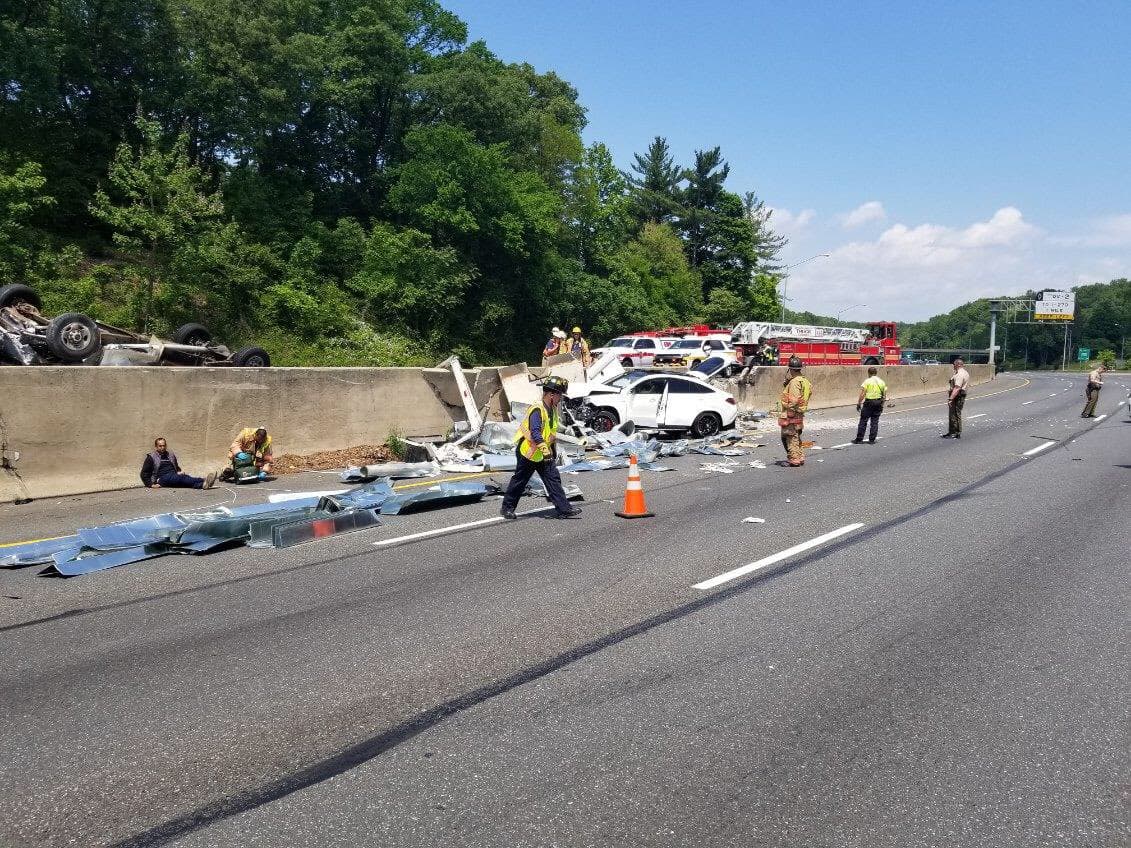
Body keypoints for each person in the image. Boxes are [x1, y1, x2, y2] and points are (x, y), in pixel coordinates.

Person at [499, 376, 582, 520]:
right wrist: (545, 450)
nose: (560, 398)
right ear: (551, 395)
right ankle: (507, 508)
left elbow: (550, 433)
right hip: (529, 453)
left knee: (553, 479)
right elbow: (536, 432)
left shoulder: (553, 410)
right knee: (520, 481)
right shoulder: (537, 409)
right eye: (559, 395)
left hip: (544, 454)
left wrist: (551, 451)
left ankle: (564, 509)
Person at [140, 437, 216, 490]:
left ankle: (202, 485)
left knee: (184, 480)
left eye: (164, 445)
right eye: (160, 446)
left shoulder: (170, 455)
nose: (162, 447)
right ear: (156, 446)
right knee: (181, 478)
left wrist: (179, 471)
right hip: (162, 478)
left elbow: (175, 466)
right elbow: (144, 473)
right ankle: (204, 479)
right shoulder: (151, 457)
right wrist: (151, 484)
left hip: (173, 475)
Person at [778, 356, 812, 467]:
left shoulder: (794, 382)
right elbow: (807, 394)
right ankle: (800, 456)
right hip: (800, 412)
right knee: (796, 435)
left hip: (792, 412)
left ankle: (794, 459)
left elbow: (793, 399)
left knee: (789, 436)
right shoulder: (805, 381)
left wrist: (790, 411)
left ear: (790, 369)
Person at [852, 366, 887, 444]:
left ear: (869, 373)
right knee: (874, 421)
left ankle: (859, 439)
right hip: (878, 403)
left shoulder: (867, 381)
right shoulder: (882, 382)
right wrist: (882, 405)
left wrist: (858, 403)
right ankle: (872, 439)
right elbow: (884, 396)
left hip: (869, 403)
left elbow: (863, 394)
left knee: (863, 420)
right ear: (876, 373)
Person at [941, 358, 971, 438]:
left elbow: (957, 388)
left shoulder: (960, 375)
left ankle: (955, 432)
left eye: (954, 364)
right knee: (954, 414)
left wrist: (950, 399)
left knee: (954, 414)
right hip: (959, 395)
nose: (953, 366)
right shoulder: (964, 373)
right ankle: (953, 432)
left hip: (957, 396)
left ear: (958, 364)